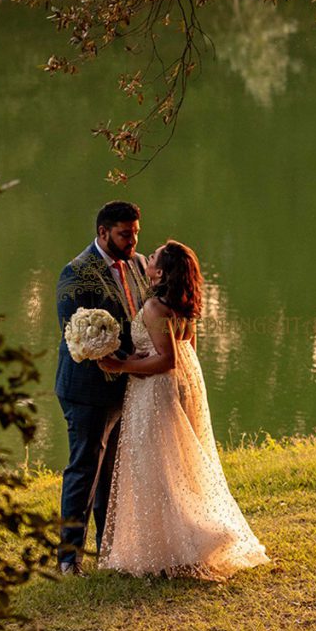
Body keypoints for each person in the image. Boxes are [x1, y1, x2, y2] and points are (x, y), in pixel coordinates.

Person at [97, 240, 270, 580]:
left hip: (157, 390)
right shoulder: (181, 305)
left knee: (157, 463)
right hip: (184, 382)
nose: (149, 254)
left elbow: (167, 359)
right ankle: (183, 538)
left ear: (160, 272)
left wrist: (121, 366)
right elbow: (187, 347)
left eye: (156, 255)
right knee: (177, 462)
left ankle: (176, 546)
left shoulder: (156, 309)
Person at [55, 201, 149, 576]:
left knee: (112, 472)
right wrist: (123, 358)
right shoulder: (76, 273)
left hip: (127, 385)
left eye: (136, 233)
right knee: (84, 469)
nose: (133, 240)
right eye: (125, 234)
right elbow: (75, 334)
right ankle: (68, 559)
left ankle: (107, 549)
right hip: (86, 389)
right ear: (103, 233)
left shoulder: (140, 264)